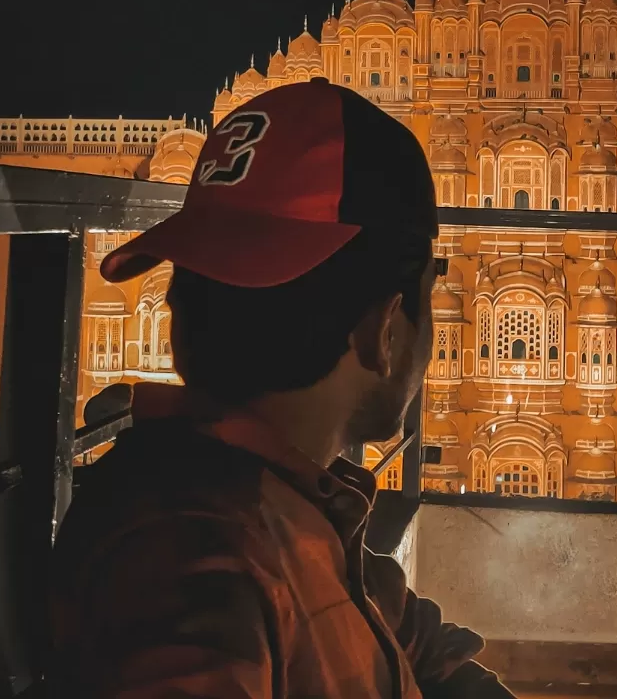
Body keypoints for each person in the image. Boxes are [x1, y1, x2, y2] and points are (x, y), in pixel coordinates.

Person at [47, 77, 513, 697]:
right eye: (428, 300)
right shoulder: (192, 561)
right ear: (384, 333)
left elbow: (422, 647)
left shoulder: (293, 503)